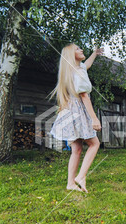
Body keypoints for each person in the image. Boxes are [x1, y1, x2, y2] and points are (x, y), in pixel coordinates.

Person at [48, 43, 103, 193]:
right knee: (94, 144)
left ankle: (70, 183)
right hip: (78, 111)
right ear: (71, 55)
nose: (81, 50)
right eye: (78, 49)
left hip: (69, 112)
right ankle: (80, 177)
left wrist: (94, 53)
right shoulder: (77, 72)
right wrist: (94, 118)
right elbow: (84, 96)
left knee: (77, 149)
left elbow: (87, 65)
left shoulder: (76, 70)